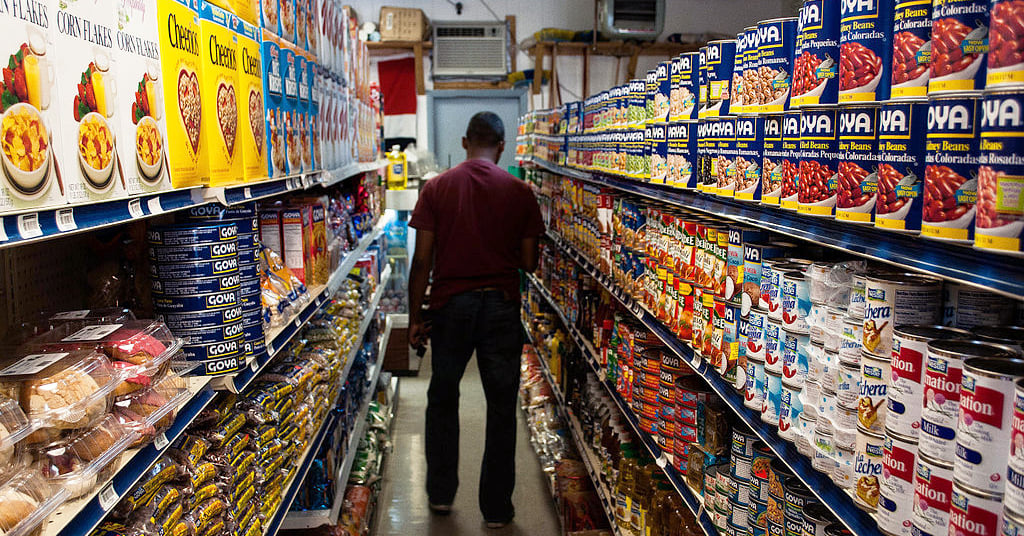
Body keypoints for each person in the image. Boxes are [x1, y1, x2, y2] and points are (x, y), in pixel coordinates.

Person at [407, 111, 545, 529]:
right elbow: (529, 263)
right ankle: (498, 510)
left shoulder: (436, 188)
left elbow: (422, 259)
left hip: (450, 306)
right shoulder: (521, 191)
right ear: (502, 146)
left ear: (466, 141)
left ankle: (442, 496)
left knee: (443, 397)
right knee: (502, 407)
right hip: (500, 308)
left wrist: (416, 318)